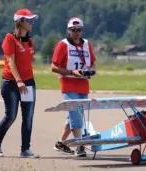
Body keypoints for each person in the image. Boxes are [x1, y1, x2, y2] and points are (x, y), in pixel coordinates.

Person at [0, 8, 39, 158]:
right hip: (11, 83)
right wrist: (19, 81)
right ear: (20, 22)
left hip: (28, 83)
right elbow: (11, 62)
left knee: (28, 116)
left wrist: (25, 80)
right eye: (29, 20)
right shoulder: (9, 38)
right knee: (11, 115)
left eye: (32, 20)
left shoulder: (30, 41)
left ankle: (25, 149)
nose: (32, 23)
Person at [51, 17, 96, 157]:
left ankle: (61, 142)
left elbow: (93, 62)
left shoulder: (87, 44)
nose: (76, 32)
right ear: (69, 30)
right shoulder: (62, 45)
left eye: (79, 30)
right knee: (76, 115)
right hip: (69, 84)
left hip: (83, 84)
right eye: (73, 30)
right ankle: (80, 146)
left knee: (75, 115)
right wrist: (71, 72)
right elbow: (53, 67)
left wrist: (91, 71)